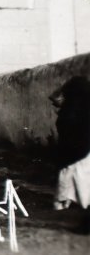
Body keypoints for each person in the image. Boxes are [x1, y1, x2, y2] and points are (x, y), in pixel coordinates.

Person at [50, 76, 90, 234]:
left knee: (83, 189)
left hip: (80, 155)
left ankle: (87, 224)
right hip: (82, 154)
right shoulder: (81, 104)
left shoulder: (73, 108)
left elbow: (68, 128)